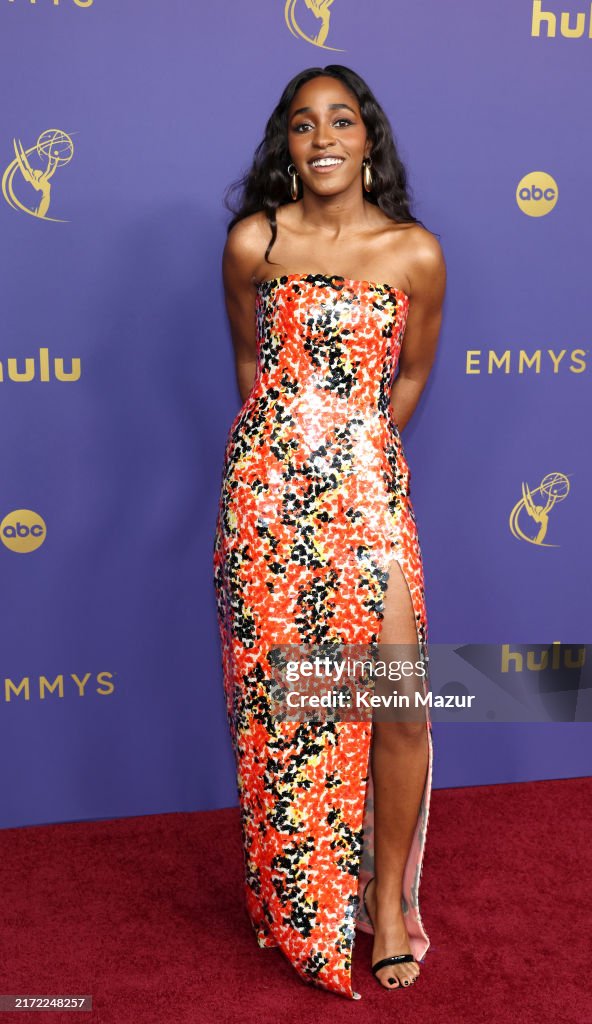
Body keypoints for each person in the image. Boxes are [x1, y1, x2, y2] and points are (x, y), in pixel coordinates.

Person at [213, 64, 446, 1000]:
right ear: (287, 142)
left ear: (367, 139)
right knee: (289, 709)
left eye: (340, 120)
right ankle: (303, 902)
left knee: (398, 702)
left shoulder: (413, 253)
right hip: (268, 505)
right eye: (303, 124)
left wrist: (347, 451)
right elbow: (247, 363)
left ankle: (385, 906)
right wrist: (288, 461)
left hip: (365, 494)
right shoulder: (252, 243)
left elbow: (411, 380)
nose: (322, 139)